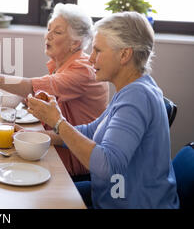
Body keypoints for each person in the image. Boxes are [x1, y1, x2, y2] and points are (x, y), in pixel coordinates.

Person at [26, 12, 179, 209]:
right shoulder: (132, 89)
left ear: (125, 54)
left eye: (98, 51)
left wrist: (58, 122)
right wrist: (38, 135)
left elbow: (108, 166)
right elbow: (91, 132)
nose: (90, 59)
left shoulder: (137, 97)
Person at [0, 3, 109, 179]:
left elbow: (30, 86)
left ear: (75, 43)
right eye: (49, 29)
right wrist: (28, 135)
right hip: (57, 151)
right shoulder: (63, 66)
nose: (48, 35)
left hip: (74, 167)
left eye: (57, 32)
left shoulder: (83, 70)